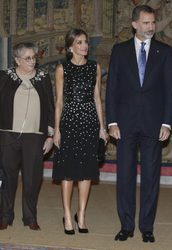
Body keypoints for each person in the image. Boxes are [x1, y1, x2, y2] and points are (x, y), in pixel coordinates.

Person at [106, 5, 172, 243]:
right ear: (134, 24)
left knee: (150, 177)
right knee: (124, 176)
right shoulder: (119, 50)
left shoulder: (164, 52)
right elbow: (112, 88)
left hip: (153, 125)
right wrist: (111, 121)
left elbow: (169, 90)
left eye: (153, 22)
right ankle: (126, 226)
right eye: (146, 23)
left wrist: (167, 122)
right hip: (124, 125)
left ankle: (147, 227)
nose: (151, 27)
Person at [52, 28, 108, 235]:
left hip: (89, 123)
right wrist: (56, 130)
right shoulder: (62, 68)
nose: (85, 46)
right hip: (68, 123)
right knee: (67, 171)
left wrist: (102, 128)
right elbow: (59, 102)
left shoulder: (95, 67)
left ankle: (81, 214)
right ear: (70, 47)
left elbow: (97, 99)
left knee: (86, 172)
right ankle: (67, 215)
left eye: (85, 42)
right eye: (80, 42)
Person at [0, 42, 54, 230]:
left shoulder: (43, 77)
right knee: (8, 177)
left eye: (34, 57)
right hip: (8, 134)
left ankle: (30, 217)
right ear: (17, 59)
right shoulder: (5, 76)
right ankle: (5, 216)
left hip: (35, 135)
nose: (32, 61)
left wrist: (50, 135)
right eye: (28, 58)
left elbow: (50, 106)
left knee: (32, 178)